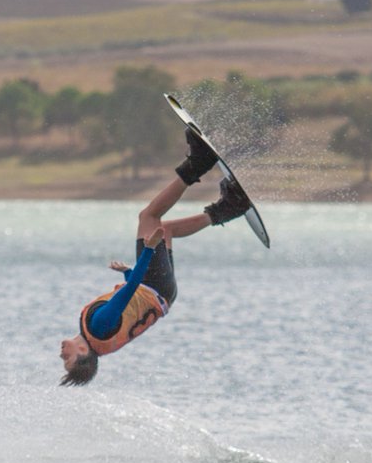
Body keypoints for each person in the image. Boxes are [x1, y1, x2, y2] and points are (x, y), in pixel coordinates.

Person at [59, 128, 252, 386]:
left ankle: (229, 208)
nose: (61, 354)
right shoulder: (98, 326)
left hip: (164, 294)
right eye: (67, 359)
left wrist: (128, 271)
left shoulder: (102, 341)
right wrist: (148, 251)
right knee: (149, 217)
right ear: (83, 352)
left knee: (166, 230)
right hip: (153, 285)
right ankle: (198, 164)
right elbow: (131, 290)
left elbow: (133, 307)